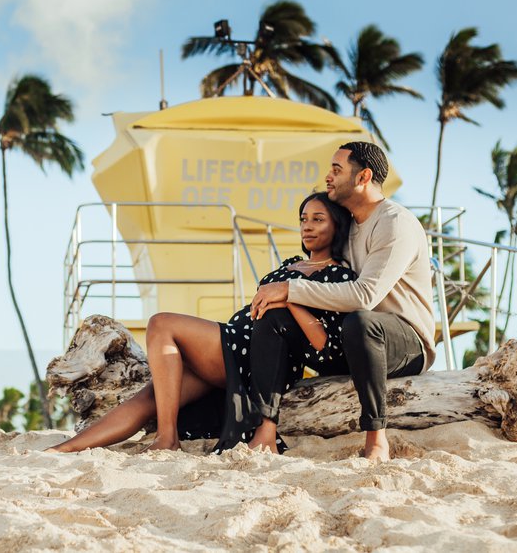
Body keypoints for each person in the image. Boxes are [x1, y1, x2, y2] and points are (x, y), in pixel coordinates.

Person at [46, 192, 356, 454]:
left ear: (337, 224)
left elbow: (322, 345)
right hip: (233, 344)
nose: (308, 226)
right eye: (304, 218)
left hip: (259, 358)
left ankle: (167, 439)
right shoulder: (290, 264)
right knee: (151, 398)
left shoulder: (339, 275)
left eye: (318, 219)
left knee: (160, 323)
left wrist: (290, 297)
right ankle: (63, 451)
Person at [250, 141, 436, 462]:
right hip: (349, 342)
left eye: (337, 170)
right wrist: (283, 294)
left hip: (405, 342)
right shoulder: (349, 225)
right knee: (275, 318)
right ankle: (265, 429)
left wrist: (290, 289)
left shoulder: (395, 222)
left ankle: (376, 437)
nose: (328, 177)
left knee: (361, 321)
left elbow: (365, 295)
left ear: (363, 177)